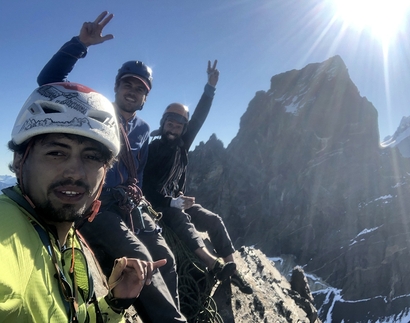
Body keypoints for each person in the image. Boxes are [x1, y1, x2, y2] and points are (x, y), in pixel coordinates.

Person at [37, 12, 186, 322]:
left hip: (130, 204)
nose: (133, 90)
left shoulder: (144, 129)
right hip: (99, 204)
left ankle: (170, 315)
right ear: (117, 87)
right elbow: (49, 83)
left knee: (167, 259)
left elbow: (140, 170)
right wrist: (80, 44)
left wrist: (140, 202)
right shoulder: (94, 110)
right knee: (143, 259)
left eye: (140, 88)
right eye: (127, 84)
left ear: (146, 97)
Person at [0, 82, 166, 322]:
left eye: (91, 157)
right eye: (56, 153)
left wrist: (116, 302)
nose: (75, 173)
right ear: (19, 160)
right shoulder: (7, 231)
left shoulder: (68, 238)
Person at [142, 60, 253, 294]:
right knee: (181, 219)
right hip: (158, 206)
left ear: (183, 129)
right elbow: (146, 189)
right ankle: (212, 263)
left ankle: (231, 267)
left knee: (213, 220)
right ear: (163, 125)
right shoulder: (152, 149)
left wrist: (210, 88)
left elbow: (199, 118)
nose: (173, 129)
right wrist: (172, 202)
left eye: (178, 126)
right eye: (169, 124)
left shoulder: (182, 144)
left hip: (176, 200)